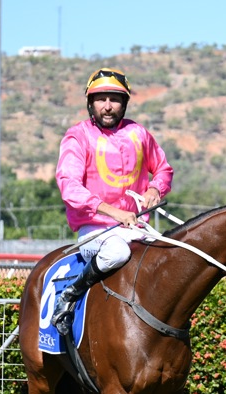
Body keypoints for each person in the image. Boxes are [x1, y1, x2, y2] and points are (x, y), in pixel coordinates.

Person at [50, 67, 174, 334]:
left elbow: (163, 169)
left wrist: (155, 190)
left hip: (137, 229)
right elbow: (68, 185)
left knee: (171, 258)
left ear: (124, 103)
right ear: (90, 103)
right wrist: (113, 212)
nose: (108, 106)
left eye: (114, 99)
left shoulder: (139, 134)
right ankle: (70, 295)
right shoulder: (77, 136)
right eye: (101, 99)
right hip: (95, 230)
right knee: (117, 252)